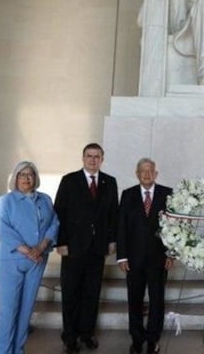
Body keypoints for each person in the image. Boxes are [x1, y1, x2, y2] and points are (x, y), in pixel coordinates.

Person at [54, 143, 119, 353]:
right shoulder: (69, 180)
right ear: (83, 158)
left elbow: (113, 216)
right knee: (71, 293)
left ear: (102, 159)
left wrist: (112, 240)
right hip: (73, 247)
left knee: (92, 293)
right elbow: (59, 213)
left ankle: (87, 334)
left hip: (97, 248)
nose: (93, 160)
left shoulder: (110, 182)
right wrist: (60, 242)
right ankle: (70, 337)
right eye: (89, 156)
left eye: (97, 156)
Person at [0, 161, 59, 354]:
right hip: (11, 261)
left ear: (35, 178)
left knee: (25, 311)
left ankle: (18, 350)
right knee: (7, 311)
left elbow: (54, 223)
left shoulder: (45, 200)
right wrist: (28, 250)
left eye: (30, 175)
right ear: (15, 178)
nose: (26, 178)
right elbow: (2, 229)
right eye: (21, 175)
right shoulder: (5, 201)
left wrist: (41, 247)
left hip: (37, 261)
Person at [116, 158, 174, 354]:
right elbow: (121, 227)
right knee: (135, 299)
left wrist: (171, 254)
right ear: (137, 174)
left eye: (150, 170)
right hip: (133, 259)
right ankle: (137, 338)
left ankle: (152, 339)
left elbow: (175, 228)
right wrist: (121, 257)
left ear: (156, 174)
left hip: (159, 259)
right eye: (143, 171)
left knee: (157, 300)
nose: (147, 174)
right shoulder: (128, 195)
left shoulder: (168, 194)